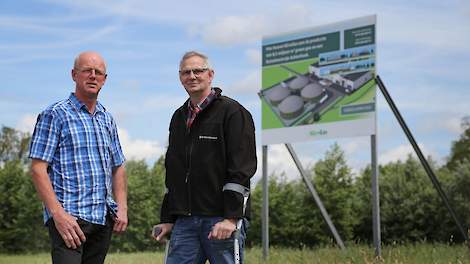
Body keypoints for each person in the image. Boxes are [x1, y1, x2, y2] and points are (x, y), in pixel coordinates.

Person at [152, 51, 257, 264]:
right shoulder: (178, 117)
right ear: (180, 78)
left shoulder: (233, 112)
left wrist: (231, 217)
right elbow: (174, 170)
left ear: (210, 74)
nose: (192, 76)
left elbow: (242, 167)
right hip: (185, 221)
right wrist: (167, 219)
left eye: (198, 70)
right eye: (185, 72)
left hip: (221, 220)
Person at [29, 51, 128, 264]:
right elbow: (38, 168)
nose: (93, 76)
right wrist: (58, 215)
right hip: (70, 221)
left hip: (102, 219)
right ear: (74, 75)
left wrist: (122, 208)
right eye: (87, 71)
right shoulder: (55, 114)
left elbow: (118, 166)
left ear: (104, 79)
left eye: (98, 72)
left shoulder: (107, 119)